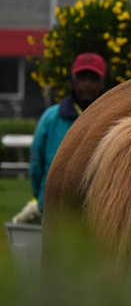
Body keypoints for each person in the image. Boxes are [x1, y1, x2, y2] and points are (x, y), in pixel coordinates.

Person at [29, 52, 107, 215]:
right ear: (72, 80)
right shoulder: (51, 118)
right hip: (55, 209)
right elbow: (36, 165)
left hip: (97, 211)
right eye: (81, 78)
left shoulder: (111, 119)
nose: (86, 84)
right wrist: (42, 197)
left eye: (92, 79)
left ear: (102, 83)